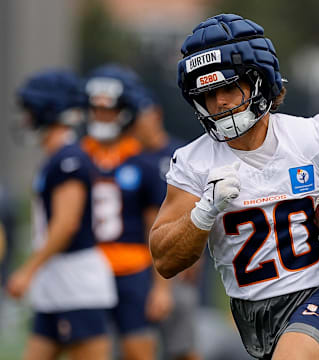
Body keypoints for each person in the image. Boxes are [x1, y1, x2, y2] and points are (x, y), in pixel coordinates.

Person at [149, 13, 319, 360]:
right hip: (257, 316)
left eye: (228, 87)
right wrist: (204, 211)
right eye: (208, 93)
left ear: (260, 80)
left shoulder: (313, 138)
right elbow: (165, 259)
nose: (219, 103)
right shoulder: (193, 163)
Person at [7, 69, 117, 360]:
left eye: (31, 110)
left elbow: (66, 224)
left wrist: (28, 269)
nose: (26, 119)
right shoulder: (58, 158)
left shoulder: (69, 159)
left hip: (76, 284)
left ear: (48, 110)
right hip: (55, 282)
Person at [81, 64, 173, 360]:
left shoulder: (142, 162)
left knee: (138, 350)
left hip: (133, 269)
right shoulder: (76, 158)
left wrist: (161, 287)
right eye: (96, 109)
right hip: (87, 268)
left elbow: (155, 228)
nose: (101, 116)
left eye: (109, 110)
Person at [130, 86, 203, 360]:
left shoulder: (181, 154)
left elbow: (197, 213)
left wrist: (193, 260)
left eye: (140, 115)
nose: (136, 123)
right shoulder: (130, 157)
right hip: (137, 265)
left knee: (181, 347)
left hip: (174, 261)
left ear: (155, 115)